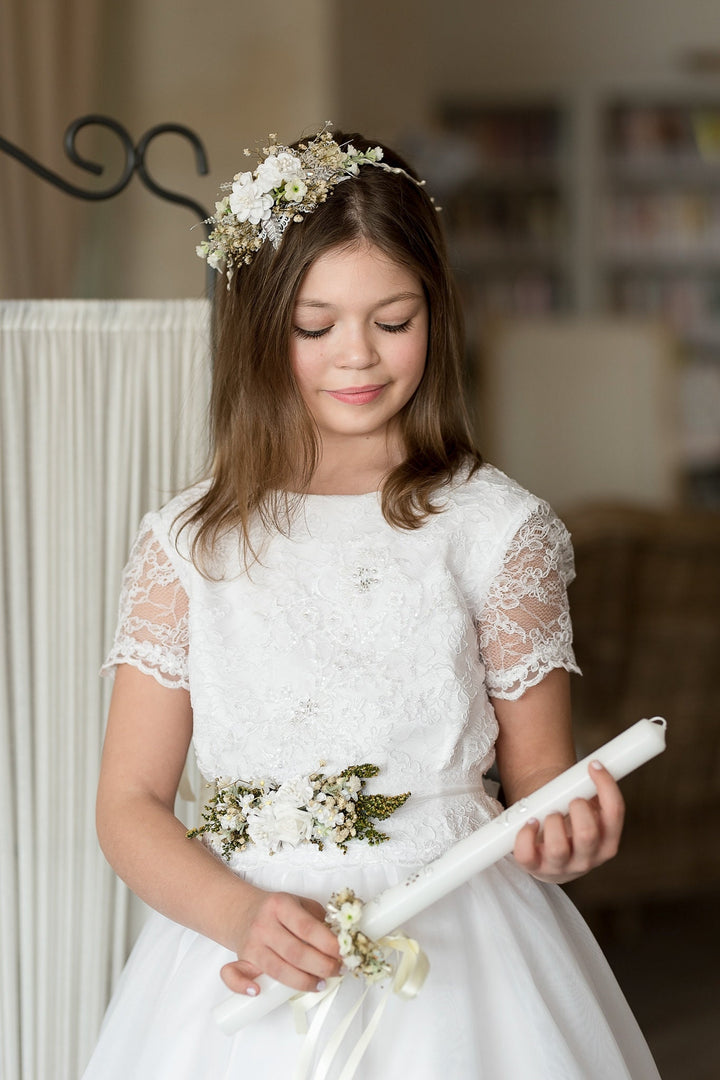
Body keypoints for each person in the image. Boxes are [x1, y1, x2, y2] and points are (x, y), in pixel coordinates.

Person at [82, 126, 661, 1079]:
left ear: (436, 314)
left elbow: (540, 796)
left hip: (461, 958)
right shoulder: (186, 544)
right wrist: (239, 915)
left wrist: (566, 843)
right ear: (258, 326)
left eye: (393, 320)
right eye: (317, 326)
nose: (360, 358)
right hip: (239, 959)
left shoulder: (495, 529)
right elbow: (129, 805)